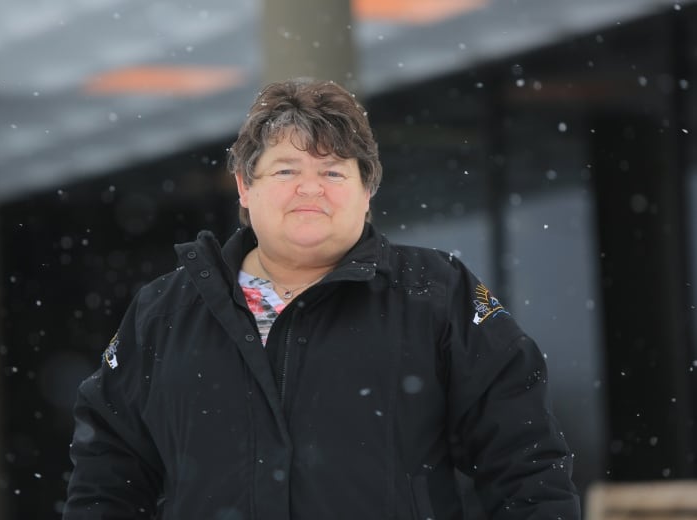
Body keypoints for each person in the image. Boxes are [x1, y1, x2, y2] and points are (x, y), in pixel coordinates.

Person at [63, 78, 581, 519]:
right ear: (245, 186)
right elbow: (106, 472)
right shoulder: (165, 311)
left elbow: (526, 460)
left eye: (333, 171)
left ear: (366, 189)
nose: (310, 189)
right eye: (286, 170)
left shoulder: (437, 292)